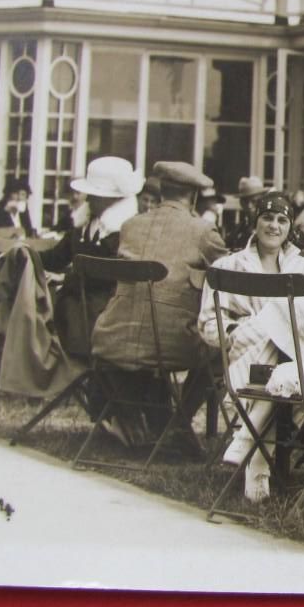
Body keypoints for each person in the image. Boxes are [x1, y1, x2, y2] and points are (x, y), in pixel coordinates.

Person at [198, 191, 304, 501]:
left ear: (290, 227)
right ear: (254, 222)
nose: (274, 225)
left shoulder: (303, 267)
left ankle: (249, 442)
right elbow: (208, 324)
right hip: (249, 351)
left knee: (286, 348)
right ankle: (256, 462)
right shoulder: (228, 264)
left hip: (294, 358)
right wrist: (238, 333)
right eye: (267, 218)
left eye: (282, 220)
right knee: (278, 341)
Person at [90, 161, 229, 452]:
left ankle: (142, 420)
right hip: (170, 345)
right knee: (222, 348)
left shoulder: (130, 227)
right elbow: (230, 270)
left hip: (112, 337)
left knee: (146, 326)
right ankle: (178, 422)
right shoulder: (203, 231)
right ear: (192, 197)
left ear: (162, 191)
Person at [39, 157, 144, 360]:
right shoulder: (86, 224)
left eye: (94, 196)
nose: (88, 200)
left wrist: (67, 278)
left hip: (107, 311)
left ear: (113, 199)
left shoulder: (126, 231)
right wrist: (25, 254)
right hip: (78, 305)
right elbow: (56, 257)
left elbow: (109, 275)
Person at [226, 175, 268, 250]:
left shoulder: (269, 227)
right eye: (245, 201)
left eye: (254, 201)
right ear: (241, 203)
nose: (249, 206)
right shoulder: (238, 230)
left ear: (262, 201)